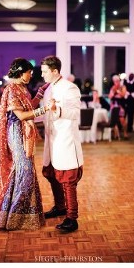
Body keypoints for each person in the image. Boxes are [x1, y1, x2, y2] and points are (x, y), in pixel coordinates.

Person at [0, 58, 47, 230]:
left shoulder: (23, 88)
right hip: (16, 131)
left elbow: (29, 108)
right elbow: (21, 116)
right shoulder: (12, 89)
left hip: (24, 131)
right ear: (21, 72)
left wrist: (40, 94)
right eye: (29, 72)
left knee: (25, 171)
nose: (31, 75)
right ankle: (11, 215)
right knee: (25, 171)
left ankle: (18, 216)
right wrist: (45, 109)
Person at [40, 55, 84, 233]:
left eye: (44, 72)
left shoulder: (70, 88)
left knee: (68, 180)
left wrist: (56, 109)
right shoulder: (49, 88)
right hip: (51, 139)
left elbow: (75, 113)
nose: (42, 75)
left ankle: (72, 218)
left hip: (65, 140)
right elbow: (46, 112)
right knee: (51, 174)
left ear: (55, 71)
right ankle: (60, 206)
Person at [108, 73, 129, 139]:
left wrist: (118, 91)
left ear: (119, 81)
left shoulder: (123, 87)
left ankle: (125, 133)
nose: (116, 82)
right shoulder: (112, 88)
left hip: (121, 105)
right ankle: (116, 134)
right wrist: (114, 92)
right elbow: (110, 96)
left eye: (117, 81)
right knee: (114, 120)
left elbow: (123, 95)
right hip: (114, 105)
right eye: (115, 81)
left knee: (122, 119)